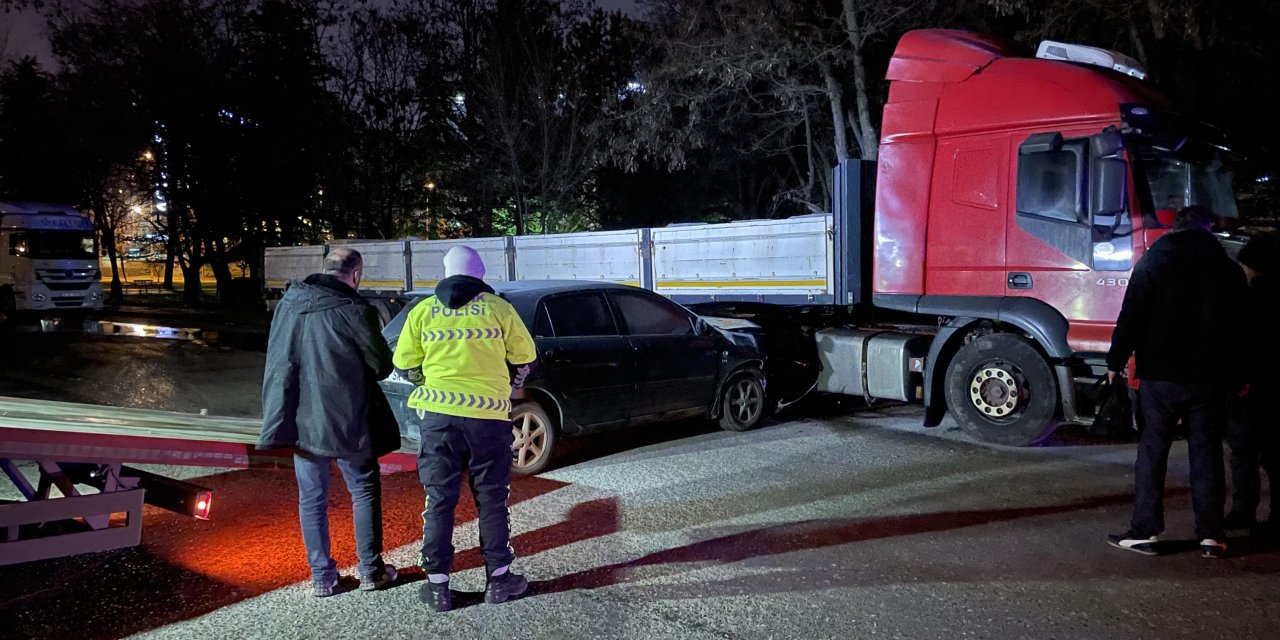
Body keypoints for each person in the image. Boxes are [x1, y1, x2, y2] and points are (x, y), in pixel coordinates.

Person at [393, 245, 537, 612]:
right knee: (492, 498)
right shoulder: (499, 309)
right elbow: (525, 357)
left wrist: (427, 379)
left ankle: (438, 587)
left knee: (439, 499)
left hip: (439, 419)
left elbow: (405, 362)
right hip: (488, 418)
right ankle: (500, 581)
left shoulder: (423, 310)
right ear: (480, 274)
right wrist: (506, 385)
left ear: (445, 272)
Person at [1105, 205, 1248, 559]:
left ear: (1174, 229)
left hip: (1160, 374)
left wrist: (1115, 360)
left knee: (1153, 450)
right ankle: (1212, 535)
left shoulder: (1154, 263)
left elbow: (1132, 314)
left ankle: (1146, 530)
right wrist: (1241, 372)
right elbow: (1242, 327)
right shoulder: (1227, 269)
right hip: (1210, 376)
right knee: (1207, 452)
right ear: (1208, 229)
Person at [259, 247, 400, 597]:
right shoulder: (356, 311)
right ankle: (371, 571)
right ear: (356, 275)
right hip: (348, 420)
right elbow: (381, 366)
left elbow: (279, 360)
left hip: (300, 422)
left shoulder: (289, 305)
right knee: (363, 491)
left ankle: (322, 577)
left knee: (312, 500)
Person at [1224, 234, 1279, 533]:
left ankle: (1243, 511)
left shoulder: (1245, 298)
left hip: (1249, 386)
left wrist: (1237, 378)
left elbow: (1238, 343)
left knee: (1244, 451)